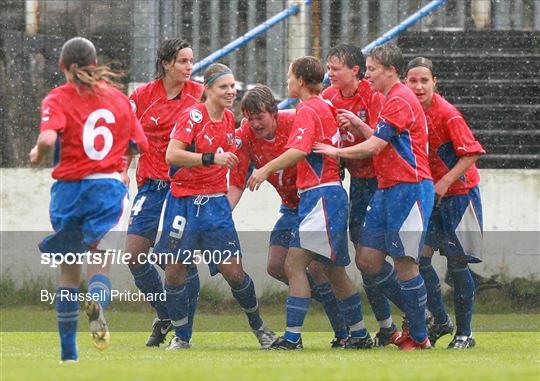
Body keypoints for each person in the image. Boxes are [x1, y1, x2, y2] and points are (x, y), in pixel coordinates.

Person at [30, 37, 148, 362]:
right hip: (107, 190)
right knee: (100, 265)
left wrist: (37, 152)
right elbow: (140, 145)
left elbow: (48, 137)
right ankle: (96, 299)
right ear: (95, 64)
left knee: (69, 271)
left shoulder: (57, 98)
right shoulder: (118, 100)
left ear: (62, 66)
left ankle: (69, 354)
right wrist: (123, 166)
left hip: (68, 193)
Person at [314, 43, 434, 350]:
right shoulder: (390, 98)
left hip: (410, 187)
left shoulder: (399, 99)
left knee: (405, 263)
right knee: (367, 260)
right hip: (386, 187)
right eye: (367, 69)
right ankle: (419, 316)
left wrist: (336, 151)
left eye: (372, 69)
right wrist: (358, 124)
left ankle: (419, 336)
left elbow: (374, 147)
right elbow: (381, 139)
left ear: (391, 71)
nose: (368, 75)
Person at [248, 57, 373, 350]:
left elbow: (299, 150)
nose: (287, 82)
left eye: (290, 77)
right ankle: (359, 334)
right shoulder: (325, 106)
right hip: (327, 195)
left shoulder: (310, 108)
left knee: (293, 263)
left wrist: (265, 169)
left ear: (301, 81)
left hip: (321, 195)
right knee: (333, 271)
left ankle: (292, 338)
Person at [152, 63, 275, 350]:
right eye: (224, 86)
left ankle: (259, 327)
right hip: (182, 204)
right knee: (174, 271)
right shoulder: (193, 116)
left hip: (215, 207)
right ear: (207, 89)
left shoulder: (230, 118)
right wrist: (210, 159)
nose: (231, 91)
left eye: (233, 86)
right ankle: (182, 338)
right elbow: (172, 154)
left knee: (234, 273)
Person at [228, 84, 349, 348]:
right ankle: (323, 307)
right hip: (290, 207)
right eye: (249, 118)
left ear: (274, 112)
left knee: (316, 269)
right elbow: (237, 182)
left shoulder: (295, 120)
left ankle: (336, 331)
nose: (254, 123)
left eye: (260, 117)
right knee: (276, 266)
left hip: (313, 202)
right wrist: (223, 217)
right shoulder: (245, 136)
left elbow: (326, 135)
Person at [126, 38, 204, 347]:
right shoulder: (143, 96)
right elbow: (126, 134)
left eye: (191, 61)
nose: (189, 67)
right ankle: (167, 314)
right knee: (134, 255)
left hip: (181, 188)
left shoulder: (199, 95)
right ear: (166, 63)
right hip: (149, 185)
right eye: (183, 61)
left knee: (175, 260)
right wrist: (122, 167)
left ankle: (184, 333)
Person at [322, 44, 402, 346]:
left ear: (355, 71)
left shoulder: (374, 95)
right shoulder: (328, 98)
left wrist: (356, 125)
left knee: (380, 258)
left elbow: (380, 140)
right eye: (328, 68)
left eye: (336, 68)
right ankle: (387, 326)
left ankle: (419, 315)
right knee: (365, 261)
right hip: (356, 186)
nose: (330, 73)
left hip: (383, 183)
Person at [405, 57, 485, 349]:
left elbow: (472, 152)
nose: (418, 86)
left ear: (434, 82)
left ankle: (465, 334)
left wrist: (445, 181)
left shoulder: (447, 114)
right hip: (430, 197)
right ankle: (440, 319)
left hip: (459, 196)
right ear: (405, 82)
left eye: (424, 80)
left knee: (457, 263)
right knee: (418, 259)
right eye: (413, 80)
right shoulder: (407, 111)